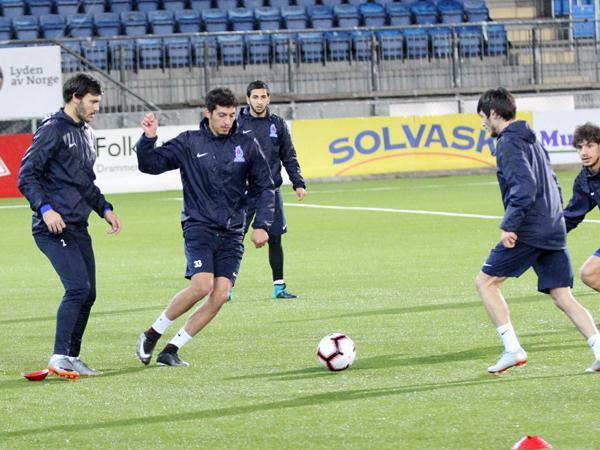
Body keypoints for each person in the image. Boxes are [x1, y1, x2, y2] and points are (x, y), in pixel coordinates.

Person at [135, 87, 275, 367]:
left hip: (233, 231)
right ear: (207, 113)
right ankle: (152, 334)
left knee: (220, 294)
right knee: (202, 285)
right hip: (199, 226)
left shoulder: (246, 144)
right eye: (221, 115)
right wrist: (148, 139)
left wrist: (262, 224)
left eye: (231, 115)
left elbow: (264, 187)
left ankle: (171, 350)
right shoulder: (189, 142)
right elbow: (149, 164)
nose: (227, 121)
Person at [473, 87, 600, 374]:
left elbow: (525, 187)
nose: (483, 123)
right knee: (562, 296)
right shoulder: (533, 140)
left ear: (494, 113)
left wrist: (510, 225)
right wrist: (556, 222)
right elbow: (554, 185)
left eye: (483, 117)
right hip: (552, 229)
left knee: (485, 283)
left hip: (530, 230)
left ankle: (512, 349)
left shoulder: (508, 143)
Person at [18, 73, 122, 379]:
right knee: (77, 287)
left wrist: (104, 208)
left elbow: (85, 182)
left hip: (78, 225)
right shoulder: (53, 129)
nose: (97, 108)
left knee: (88, 294)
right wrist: (46, 209)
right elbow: (27, 175)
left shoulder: (86, 133)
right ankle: (59, 356)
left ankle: (72, 357)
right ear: (75, 97)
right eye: (92, 101)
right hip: (53, 227)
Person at [236, 80, 306, 300]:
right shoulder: (237, 124)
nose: (259, 101)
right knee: (233, 240)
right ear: (248, 99)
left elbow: (289, 155)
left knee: (275, 239)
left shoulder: (278, 124)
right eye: (255, 97)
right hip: (243, 193)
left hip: (271, 192)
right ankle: (225, 288)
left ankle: (279, 287)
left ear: (269, 98)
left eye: (263, 97)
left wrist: (298, 182)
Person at [563, 122, 600, 294]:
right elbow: (571, 215)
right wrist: (544, 233)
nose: (584, 152)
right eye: (579, 147)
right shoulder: (584, 180)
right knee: (589, 274)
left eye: (589, 146)